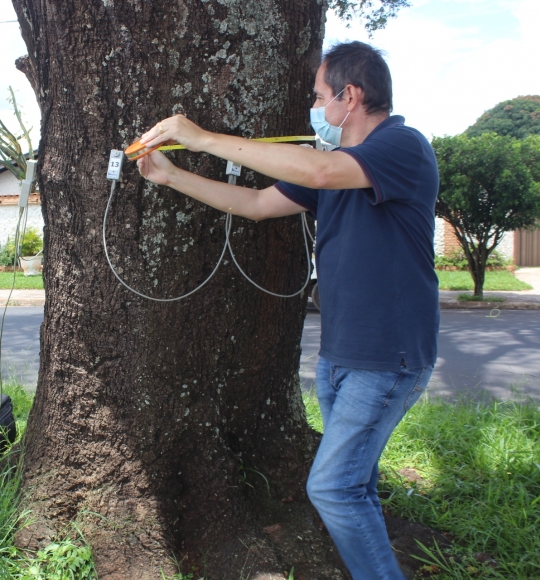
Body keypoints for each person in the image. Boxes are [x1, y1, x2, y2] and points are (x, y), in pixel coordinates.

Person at [135, 41, 439, 580]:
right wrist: (172, 176)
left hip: (387, 358)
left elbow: (322, 175)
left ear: (350, 96)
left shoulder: (402, 146)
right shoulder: (329, 165)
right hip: (342, 355)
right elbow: (256, 206)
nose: (315, 107)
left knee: (332, 489)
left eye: (320, 96)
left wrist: (201, 138)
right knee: (355, 487)